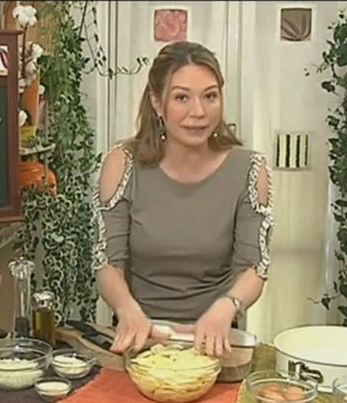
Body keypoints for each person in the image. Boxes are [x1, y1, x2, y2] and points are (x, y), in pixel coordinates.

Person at [92, 41, 273, 358]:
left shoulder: (249, 170)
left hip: (216, 342)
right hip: (141, 340)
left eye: (210, 96)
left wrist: (227, 306)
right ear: (156, 102)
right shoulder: (122, 164)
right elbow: (108, 264)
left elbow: (253, 268)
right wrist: (127, 309)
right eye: (181, 97)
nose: (198, 112)